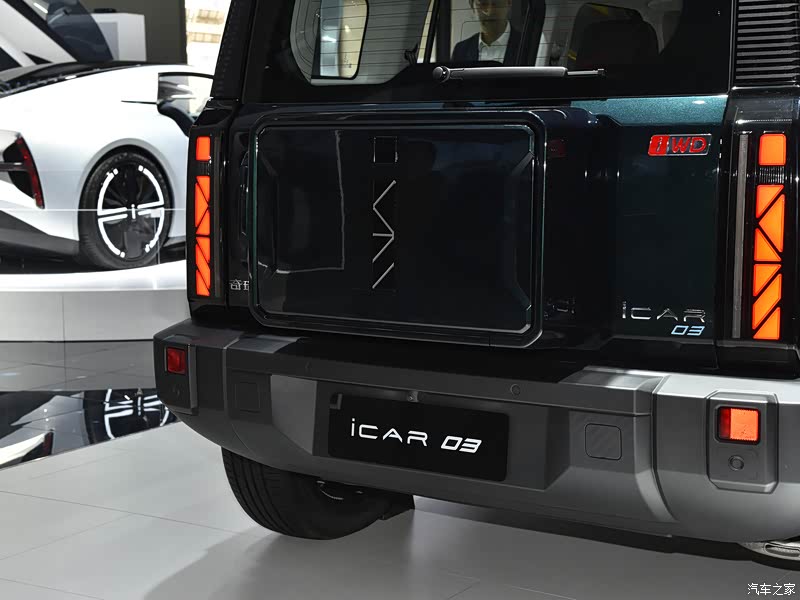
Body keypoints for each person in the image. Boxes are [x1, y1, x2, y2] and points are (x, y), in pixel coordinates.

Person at [452, 0, 520, 64]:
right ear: (472, 6)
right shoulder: (461, 51)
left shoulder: (525, 46)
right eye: (483, 4)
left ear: (509, 2)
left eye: (496, 3)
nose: (490, 12)